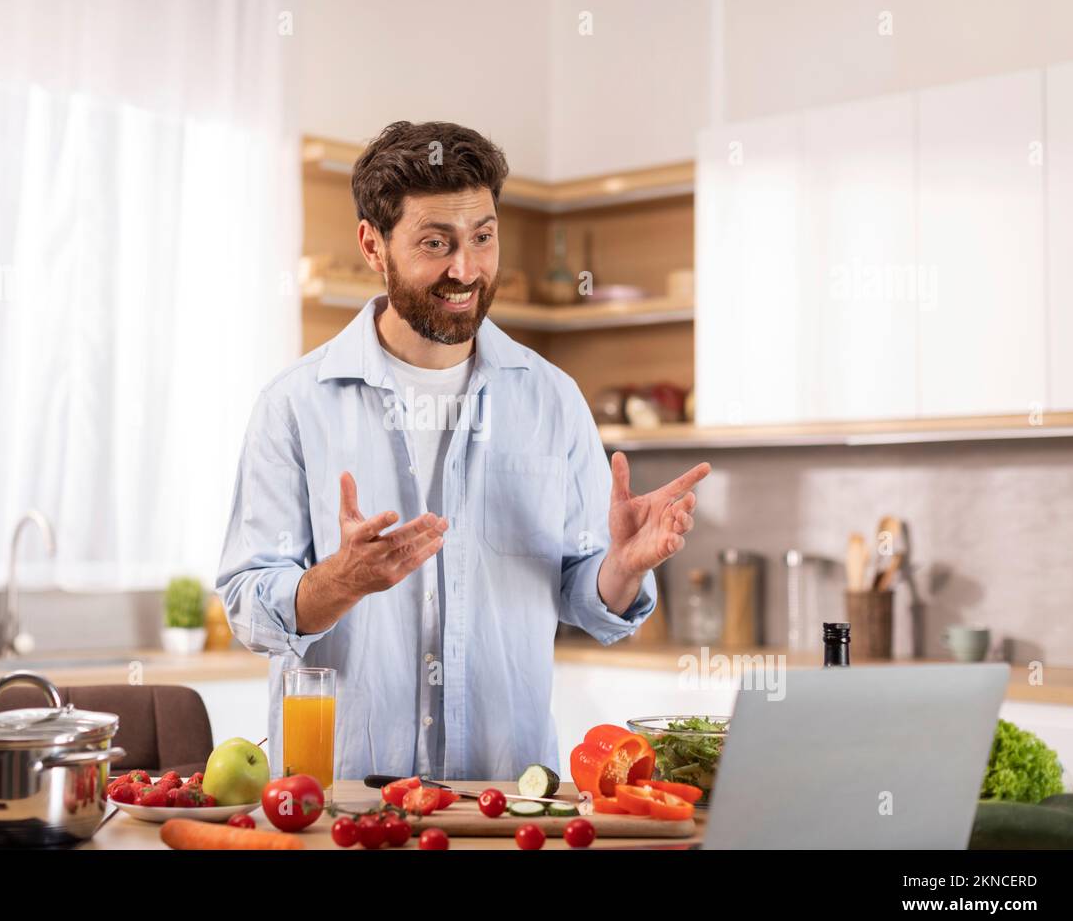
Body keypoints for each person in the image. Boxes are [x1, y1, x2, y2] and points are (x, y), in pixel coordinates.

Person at [217, 120, 709, 781]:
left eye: (482, 237)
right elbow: (249, 604)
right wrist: (340, 581)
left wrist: (620, 566)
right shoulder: (297, 404)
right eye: (435, 243)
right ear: (373, 245)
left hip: (511, 804)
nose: (465, 269)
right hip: (340, 808)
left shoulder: (551, 398)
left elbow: (582, 596)